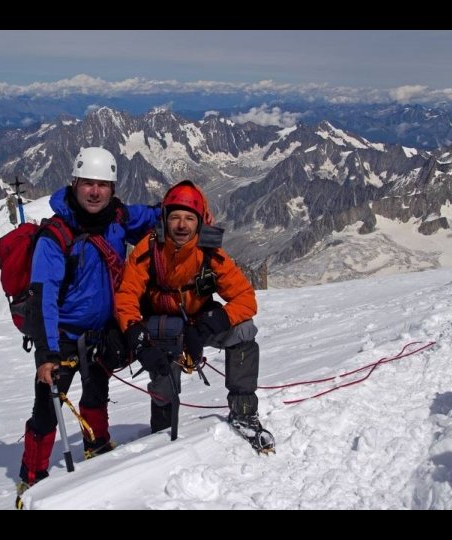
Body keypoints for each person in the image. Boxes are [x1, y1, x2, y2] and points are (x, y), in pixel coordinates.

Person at [19, 147, 160, 492]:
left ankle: (97, 447)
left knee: (96, 393)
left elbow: (158, 215)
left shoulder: (119, 218)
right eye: (88, 184)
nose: (95, 191)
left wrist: (191, 208)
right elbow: (43, 297)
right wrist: (47, 355)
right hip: (62, 337)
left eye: (103, 184)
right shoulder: (56, 235)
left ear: (112, 189)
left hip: (101, 333)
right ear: (74, 184)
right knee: (47, 408)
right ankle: (32, 476)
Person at [115, 180, 272, 450]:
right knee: (163, 367)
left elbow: (245, 298)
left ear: (200, 222)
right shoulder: (149, 249)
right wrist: (137, 336)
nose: (181, 225)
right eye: (175, 217)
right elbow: (126, 296)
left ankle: (244, 410)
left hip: (199, 321)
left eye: (189, 218)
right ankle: (162, 426)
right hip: (162, 326)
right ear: (164, 219)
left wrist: (209, 325)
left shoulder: (210, 253)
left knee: (245, 331)